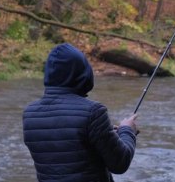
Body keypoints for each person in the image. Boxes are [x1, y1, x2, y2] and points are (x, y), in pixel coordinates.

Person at [22, 43, 139, 182]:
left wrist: (105, 134)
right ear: (83, 73)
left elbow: (66, 149)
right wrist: (127, 130)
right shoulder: (93, 112)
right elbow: (120, 164)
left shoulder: (29, 114)